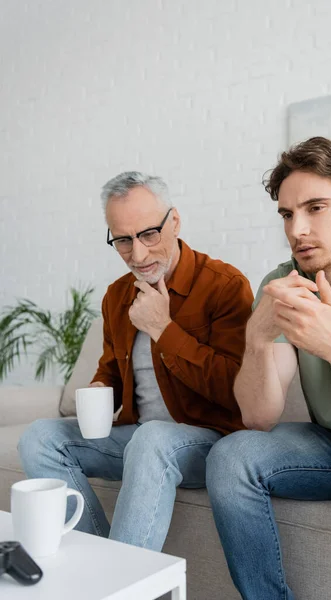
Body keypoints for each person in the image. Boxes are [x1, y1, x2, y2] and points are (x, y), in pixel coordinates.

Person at [206, 137, 331, 599]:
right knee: (232, 457)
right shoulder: (281, 283)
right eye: (288, 215)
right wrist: (255, 338)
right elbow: (259, 417)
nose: (298, 230)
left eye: (315, 208)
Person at [19, 171, 253, 550]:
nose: (138, 254)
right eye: (123, 240)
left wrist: (164, 328)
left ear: (174, 222)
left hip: (209, 442)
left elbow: (237, 391)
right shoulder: (117, 295)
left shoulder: (224, 286)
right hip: (139, 438)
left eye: (148, 234)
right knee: (39, 439)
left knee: (152, 439)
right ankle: (102, 567)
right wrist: (99, 389)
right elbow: (110, 370)